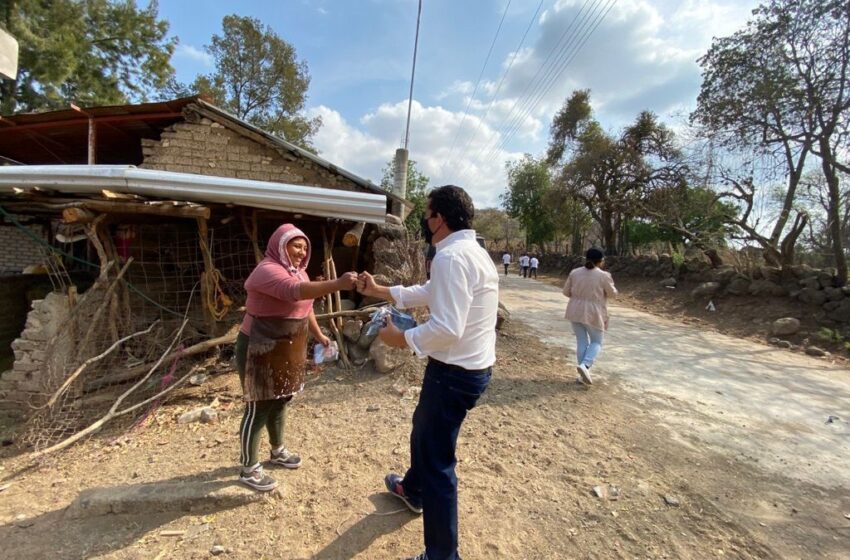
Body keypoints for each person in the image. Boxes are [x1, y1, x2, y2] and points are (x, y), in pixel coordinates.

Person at [357, 185, 499, 560]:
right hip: (468, 368)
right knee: (425, 430)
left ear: (440, 219)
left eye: (428, 213)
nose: (424, 220)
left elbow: (448, 328)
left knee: (437, 459)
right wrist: (381, 290)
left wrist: (400, 338)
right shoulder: (471, 253)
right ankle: (413, 489)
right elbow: (430, 291)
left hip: (454, 373)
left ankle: (441, 555)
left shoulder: (452, 258)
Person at [235, 223, 357, 491]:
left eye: (304, 247)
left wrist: (319, 335)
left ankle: (277, 451)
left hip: (287, 344)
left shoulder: (300, 273)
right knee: (258, 405)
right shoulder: (267, 270)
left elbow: (306, 306)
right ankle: (248, 468)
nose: (302, 252)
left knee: (280, 400)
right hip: (259, 344)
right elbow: (294, 292)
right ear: (280, 245)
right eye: (296, 246)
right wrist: (337, 283)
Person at [562, 247, 617, 385]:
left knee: (581, 341)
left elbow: (566, 292)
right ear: (601, 261)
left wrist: (578, 296)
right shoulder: (603, 275)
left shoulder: (575, 273)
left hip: (575, 310)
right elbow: (612, 294)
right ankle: (585, 366)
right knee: (597, 342)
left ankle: (581, 375)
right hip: (594, 312)